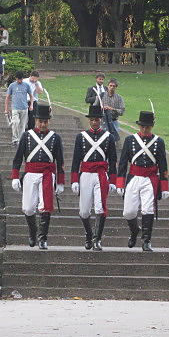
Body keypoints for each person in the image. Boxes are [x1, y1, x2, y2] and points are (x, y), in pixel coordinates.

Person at [11, 104, 64, 250]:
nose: (42, 124)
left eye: (45, 121)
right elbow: (17, 159)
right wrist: (15, 176)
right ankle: (33, 233)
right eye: (40, 121)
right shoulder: (26, 136)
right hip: (30, 174)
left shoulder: (55, 138)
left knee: (45, 207)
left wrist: (60, 182)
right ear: (36, 120)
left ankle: (43, 238)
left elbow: (60, 162)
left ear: (49, 121)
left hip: (47, 174)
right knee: (28, 208)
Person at [116, 111, 169, 252]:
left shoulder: (159, 142)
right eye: (142, 126)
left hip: (151, 179)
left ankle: (146, 241)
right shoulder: (130, 140)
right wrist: (120, 183)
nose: (144, 129)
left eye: (147, 127)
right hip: (134, 177)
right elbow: (122, 163)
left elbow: (163, 165)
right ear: (139, 126)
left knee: (147, 209)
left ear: (151, 126)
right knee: (128, 212)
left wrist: (164, 186)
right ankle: (134, 231)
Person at [70, 104, 118, 251]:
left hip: (101, 175)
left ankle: (97, 239)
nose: (95, 122)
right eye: (92, 119)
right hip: (85, 174)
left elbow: (113, 160)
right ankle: (89, 235)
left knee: (100, 207)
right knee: (84, 211)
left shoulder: (108, 137)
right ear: (89, 121)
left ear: (101, 120)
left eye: (97, 119)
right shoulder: (81, 137)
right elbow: (76, 160)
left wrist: (113, 180)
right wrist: (74, 180)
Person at [5, 71, 34, 147]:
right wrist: (6, 108)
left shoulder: (26, 85)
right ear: (16, 78)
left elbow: (31, 96)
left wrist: (31, 105)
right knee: (15, 123)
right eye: (18, 79)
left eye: (21, 79)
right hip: (15, 108)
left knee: (22, 126)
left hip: (24, 108)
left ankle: (20, 141)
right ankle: (14, 140)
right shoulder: (12, 85)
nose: (20, 81)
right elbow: (7, 97)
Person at [100, 78, 125, 143]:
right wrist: (102, 108)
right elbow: (95, 107)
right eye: (110, 85)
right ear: (107, 86)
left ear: (116, 87)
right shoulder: (101, 96)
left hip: (114, 122)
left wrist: (112, 109)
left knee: (113, 140)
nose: (112, 87)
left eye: (114, 86)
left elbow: (122, 111)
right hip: (103, 121)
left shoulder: (119, 98)